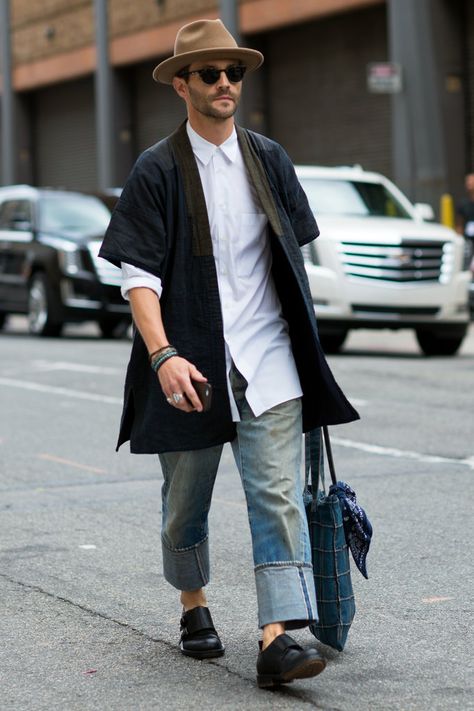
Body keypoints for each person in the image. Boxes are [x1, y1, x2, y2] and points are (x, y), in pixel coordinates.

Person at [99, 19, 359, 689]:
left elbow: (291, 259)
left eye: (233, 73)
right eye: (210, 73)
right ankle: (193, 603)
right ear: (181, 84)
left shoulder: (268, 158)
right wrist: (162, 356)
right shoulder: (156, 168)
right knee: (185, 502)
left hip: (268, 357)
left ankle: (279, 635)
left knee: (276, 495)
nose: (224, 83)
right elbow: (139, 277)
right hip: (190, 364)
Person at [456, 173, 474, 239]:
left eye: (471, 181)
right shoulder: (463, 203)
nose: (469, 183)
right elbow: (459, 223)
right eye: (467, 181)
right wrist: (459, 238)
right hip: (468, 238)